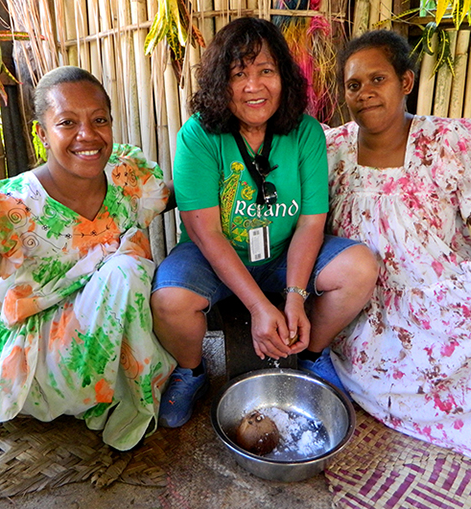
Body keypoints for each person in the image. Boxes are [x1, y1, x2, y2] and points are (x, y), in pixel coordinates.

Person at [0, 66, 176, 451]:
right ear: (41, 133)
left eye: (99, 120)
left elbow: (178, 196)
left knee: (136, 273)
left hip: (105, 352)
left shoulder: (126, 180)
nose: (87, 135)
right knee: (127, 270)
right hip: (34, 366)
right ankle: (106, 400)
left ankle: (111, 393)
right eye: (67, 122)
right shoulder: (13, 207)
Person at [324, 29, 471, 475]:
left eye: (378, 79)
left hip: (435, 288)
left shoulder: (445, 142)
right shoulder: (332, 148)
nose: (365, 93)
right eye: (354, 85)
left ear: (406, 82)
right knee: (378, 364)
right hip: (365, 298)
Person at [151, 17, 378, 428]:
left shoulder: (305, 132)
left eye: (266, 72)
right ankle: (192, 370)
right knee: (170, 301)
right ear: (221, 82)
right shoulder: (198, 136)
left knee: (359, 267)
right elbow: (207, 231)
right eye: (239, 74)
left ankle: (313, 357)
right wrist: (258, 306)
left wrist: (293, 297)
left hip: (284, 253)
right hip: (213, 257)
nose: (254, 87)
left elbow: (311, 222)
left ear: (284, 78)